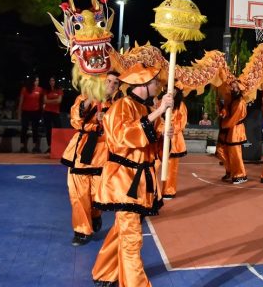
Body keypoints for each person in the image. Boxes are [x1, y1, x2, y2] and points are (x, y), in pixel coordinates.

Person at [91, 62, 173, 287]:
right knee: (131, 238)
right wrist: (158, 112)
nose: (158, 85)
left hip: (140, 181)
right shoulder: (123, 105)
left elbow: (152, 148)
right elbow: (122, 137)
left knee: (123, 230)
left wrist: (164, 136)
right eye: (155, 82)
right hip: (124, 180)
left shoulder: (146, 108)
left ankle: (104, 272)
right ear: (143, 83)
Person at [61, 71, 120, 246]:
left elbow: (120, 129)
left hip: (103, 155)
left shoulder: (118, 105)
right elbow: (75, 119)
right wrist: (93, 98)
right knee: (78, 196)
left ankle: (95, 215)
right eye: (108, 81)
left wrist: (106, 121)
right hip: (81, 153)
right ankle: (81, 231)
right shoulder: (84, 98)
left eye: (115, 83)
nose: (111, 85)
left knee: (96, 196)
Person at [220, 80, 248, 184]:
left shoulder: (240, 102)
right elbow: (228, 111)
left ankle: (241, 175)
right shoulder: (233, 100)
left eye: (235, 87)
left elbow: (234, 119)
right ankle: (231, 171)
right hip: (231, 129)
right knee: (225, 151)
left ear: (239, 89)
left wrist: (224, 124)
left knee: (235, 154)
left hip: (236, 130)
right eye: (232, 87)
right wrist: (223, 111)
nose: (232, 89)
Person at [162, 88, 188, 199]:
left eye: (174, 89)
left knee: (171, 167)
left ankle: (169, 190)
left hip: (174, 139)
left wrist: (171, 129)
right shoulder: (161, 101)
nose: (171, 91)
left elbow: (182, 122)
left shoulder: (181, 105)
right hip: (161, 137)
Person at [17, 76, 43, 153]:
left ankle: (35, 147)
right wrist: (19, 113)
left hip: (36, 112)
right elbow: (21, 102)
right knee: (24, 128)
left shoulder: (40, 89)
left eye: (38, 80)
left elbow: (42, 101)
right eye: (36, 80)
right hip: (26, 112)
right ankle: (22, 147)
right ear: (32, 81)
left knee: (35, 129)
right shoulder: (24, 89)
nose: (37, 82)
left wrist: (41, 111)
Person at [43, 76, 64, 153]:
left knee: (58, 129)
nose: (52, 82)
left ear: (55, 81)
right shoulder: (46, 90)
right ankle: (49, 147)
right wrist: (54, 100)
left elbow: (59, 101)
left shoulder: (59, 90)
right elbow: (45, 101)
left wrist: (49, 101)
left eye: (53, 80)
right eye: (50, 81)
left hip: (56, 112)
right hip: (47, 112)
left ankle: (58, 146)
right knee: (48, 130)